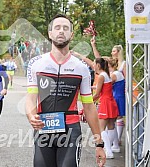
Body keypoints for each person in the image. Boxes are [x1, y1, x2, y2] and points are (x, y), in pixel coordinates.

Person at [25, 14, 106, 167]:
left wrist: (99, 143)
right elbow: (30, 98)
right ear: (50, 33)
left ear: (71, 34)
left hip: (71, 131)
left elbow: (89, 107)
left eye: (65, 28)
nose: (61, 31)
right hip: (43, 129)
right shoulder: (36, 64)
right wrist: (30, 114)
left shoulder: (81, 68)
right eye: (57, 27)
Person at [91, 38, 126, 146]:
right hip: (112, 97)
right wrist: (93, 46)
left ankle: (110, 148)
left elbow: (99, 92)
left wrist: (89, 102)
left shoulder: (118, 69)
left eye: (114, 51)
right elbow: (99, 59)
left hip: (112, 98)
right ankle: (115, 145)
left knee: (103, 126)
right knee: (112, 124)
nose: (112, 52)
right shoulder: (108, 74)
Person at [92, 58, 119, 159]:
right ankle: (110, 149)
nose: (93, 66)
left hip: (105, 103)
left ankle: (108, 150)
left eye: (94, 64)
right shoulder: (106, 74)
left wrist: (88, 102)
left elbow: (97, 94)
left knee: (101, 128)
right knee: (111, 126)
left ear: (98, 65)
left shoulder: (101, 76)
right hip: (111, 101)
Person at [108, 58, 125, 152]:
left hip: (117, 97)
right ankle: (115, 142)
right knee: (114, 120)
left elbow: (106, 85)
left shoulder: (114, 74)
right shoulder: (117, 73)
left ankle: (115, 142)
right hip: (118, 96)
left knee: (112, 121)